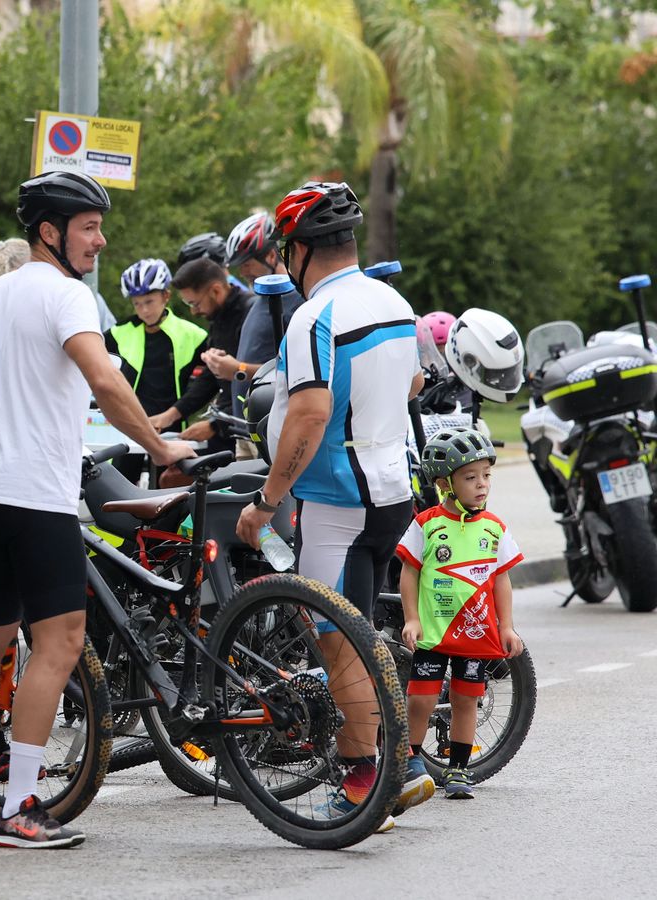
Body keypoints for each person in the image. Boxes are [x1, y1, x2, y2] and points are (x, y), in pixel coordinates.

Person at [0, 170, 193, 848]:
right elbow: (104, 380)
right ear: (50, 231)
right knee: (61, 642)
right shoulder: (68, 296)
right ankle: (19, 806)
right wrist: (160, 445)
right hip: (39, 499)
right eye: (88, 227)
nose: (99, 239)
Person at [236, 181, 422, 832]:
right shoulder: (395, 302)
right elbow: (416, 380)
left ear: (296, 252)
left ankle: (367, 778)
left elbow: (310, 412)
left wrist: (266, 500)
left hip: (337, 497)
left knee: (334, 638)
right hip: (393, 490)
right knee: (361, 628)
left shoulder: (314, 317)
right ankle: (402, 762)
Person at [396, 428, 524, 805]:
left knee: (467, 699)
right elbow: (410, 572)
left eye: (487, 475)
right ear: (444, 484)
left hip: (474, 633)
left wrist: (506, 626)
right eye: (470, 477)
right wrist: (412, 619)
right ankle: (407, 762)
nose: (482, 485)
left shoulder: (494, 528)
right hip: (434, 632)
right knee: (420, 699)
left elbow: (501, 580)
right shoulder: (427, 524)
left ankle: (459, 768)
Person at [104, 258, 208, 481]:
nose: (144, 310)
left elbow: (206, 385)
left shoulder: (193, 335)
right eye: (137, 304)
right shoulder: (118, 334)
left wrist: (175, 414)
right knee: (120, 488)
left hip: (171, 429)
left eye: (149, 301)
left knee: (169, 497)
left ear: (166, 296)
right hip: (129, 428)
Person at [219, 212, 307, 416]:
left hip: (271, 427)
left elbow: (297, 369)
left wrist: (238, 369)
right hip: (246, 426)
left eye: (247, 264)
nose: (242, 273)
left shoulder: (295, 299)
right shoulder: (262, 297)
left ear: (270, 256)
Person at [170, 255, 254, 451]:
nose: (193, 312)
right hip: (230, 422)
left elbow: (258, 378)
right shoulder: (219, 316)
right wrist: (174, 413)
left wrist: (214, 426)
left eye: (195, 304)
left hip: (249, 425)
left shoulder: (250, 312)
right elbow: (210, 377)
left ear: (215, 290)